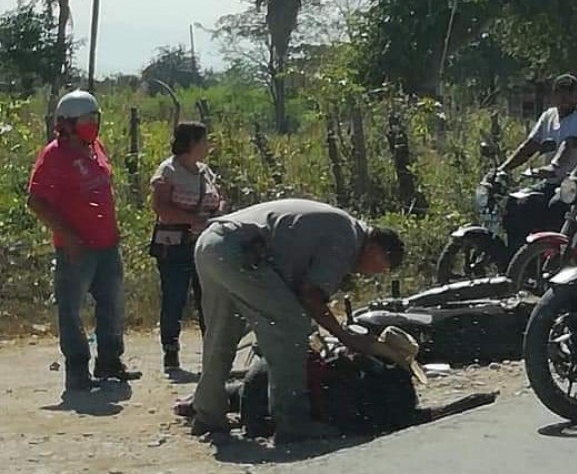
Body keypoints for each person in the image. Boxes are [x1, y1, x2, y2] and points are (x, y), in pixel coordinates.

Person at [190, 198, 405, 444]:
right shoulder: (348, 239)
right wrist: (346, 337)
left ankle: (208, 415)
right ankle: (293, 423)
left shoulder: (342, 225)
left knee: (222, 334)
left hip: (211, 243)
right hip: (240, 251)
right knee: (292, 328)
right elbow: (311, 296)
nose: (370, 274)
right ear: (376, 249)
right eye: (379, 267)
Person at [27, 90, 141, 391]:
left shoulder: (95, 148)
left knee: (112, 305)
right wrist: (70, 237)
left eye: (95, 118)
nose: (95, 124)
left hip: (107, 243)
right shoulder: (54, 155)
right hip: (76, 248)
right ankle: (77, 370)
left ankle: (109, 361)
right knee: (71, 309)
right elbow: (37, 201)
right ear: (70, 123)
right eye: (89, 119)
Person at [150, 122, 224, 373]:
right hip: (175, 246)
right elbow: (161, 208)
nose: (207, 145)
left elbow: (218, 198)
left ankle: (212, 352)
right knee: (175, 297)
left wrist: (217, 214)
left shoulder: (205, 172)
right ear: (192, 143)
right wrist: (195, 220)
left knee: (208, 299)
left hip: (204, 245)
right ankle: (170, 351)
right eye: (204, 140)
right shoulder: (168, 170)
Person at [499, 74, 577, 249]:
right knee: (516, 203)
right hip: (550, 182)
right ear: (554, 95)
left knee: (555, 206)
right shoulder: (549, 116)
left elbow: (568, 144)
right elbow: (530, 145)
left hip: (574, 185)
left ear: (576, 97)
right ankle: (516, 258)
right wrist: (503, 169)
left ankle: (554, 256)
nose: (564, 99)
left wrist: (553, 166)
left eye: (569, 94)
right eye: (560, 94)